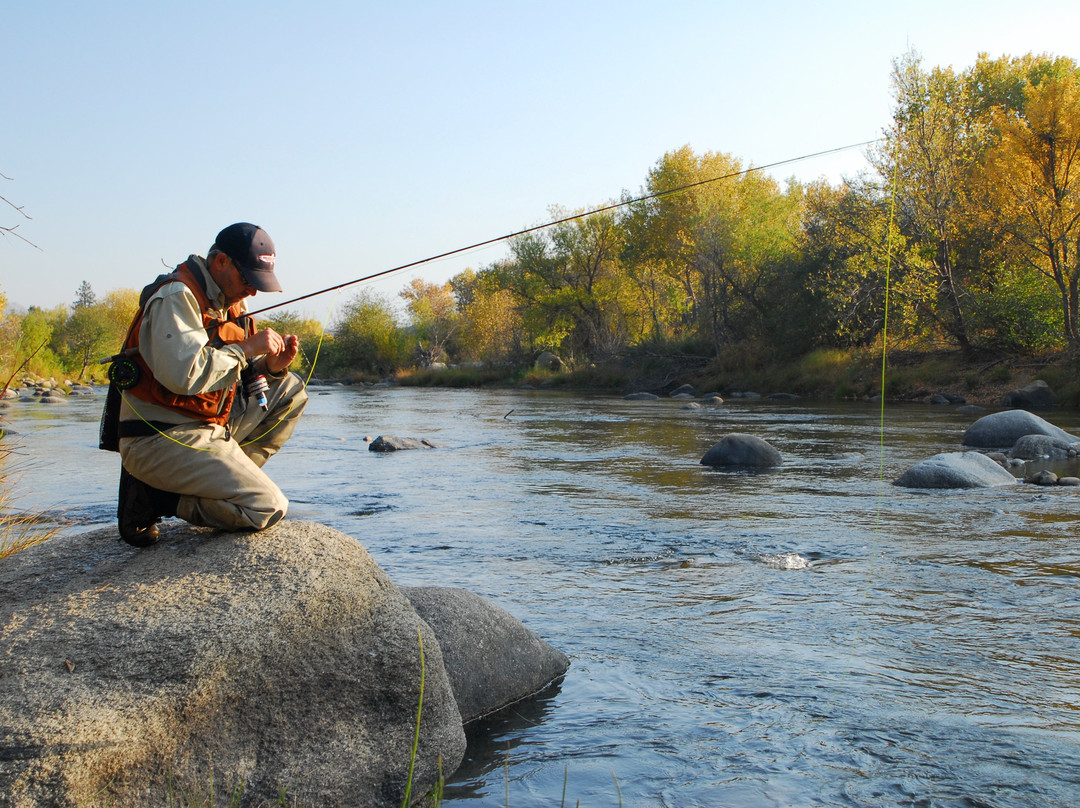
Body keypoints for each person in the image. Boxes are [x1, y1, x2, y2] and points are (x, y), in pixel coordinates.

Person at [112, 222, 308, 547]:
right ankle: (159, 498)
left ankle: (217, 479)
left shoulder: (229, 302)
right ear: (220, 262)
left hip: (210, 427)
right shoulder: (176, 297)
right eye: (248, 279)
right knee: (267, 507)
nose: (253, 291)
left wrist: (269, 369)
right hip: (159, 437)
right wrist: (247, 349)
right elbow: (185, 374)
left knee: (290, 390)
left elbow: (233, 377)